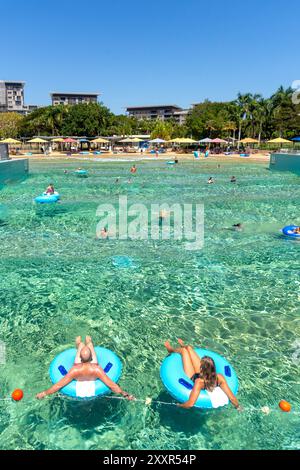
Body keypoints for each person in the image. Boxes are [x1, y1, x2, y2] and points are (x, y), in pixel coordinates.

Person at [36, 336, 134, 400]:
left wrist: (44, 393)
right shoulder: (97, 369)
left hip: (79, 369)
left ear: (79, 358)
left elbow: (58, 385)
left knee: (81, 345)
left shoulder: (75, 370)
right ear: (92, 358)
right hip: (92, 368)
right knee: (90, 344)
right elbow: (112, 385)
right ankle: (89, 341)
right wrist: (125, 394)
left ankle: (79, 343)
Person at [164, 339, 241, 410]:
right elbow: (232, 398)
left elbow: (190, 404)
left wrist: (179, 405)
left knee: (184, 351)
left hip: (192, 377)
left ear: (201, 369)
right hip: (204, 375)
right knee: (189, 348)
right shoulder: (220, 377)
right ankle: (184, 346)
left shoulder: (199, 382)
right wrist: (238, 407)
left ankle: (171, 350)